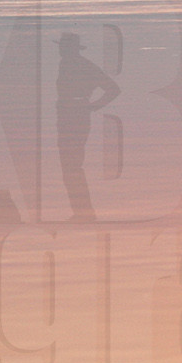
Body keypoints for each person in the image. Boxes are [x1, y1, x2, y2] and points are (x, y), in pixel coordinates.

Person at [54, 32, 120, 221]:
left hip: (75, 116)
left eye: (63, 47)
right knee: (70, 166)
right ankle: (81, 212)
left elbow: (113, 89)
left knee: (72, 165)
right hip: (68, 114)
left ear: (71, 49)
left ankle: (83, 213)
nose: (61, 50)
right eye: (61, 47)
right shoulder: (66, 64)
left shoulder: (83, 65)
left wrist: (92, 106)